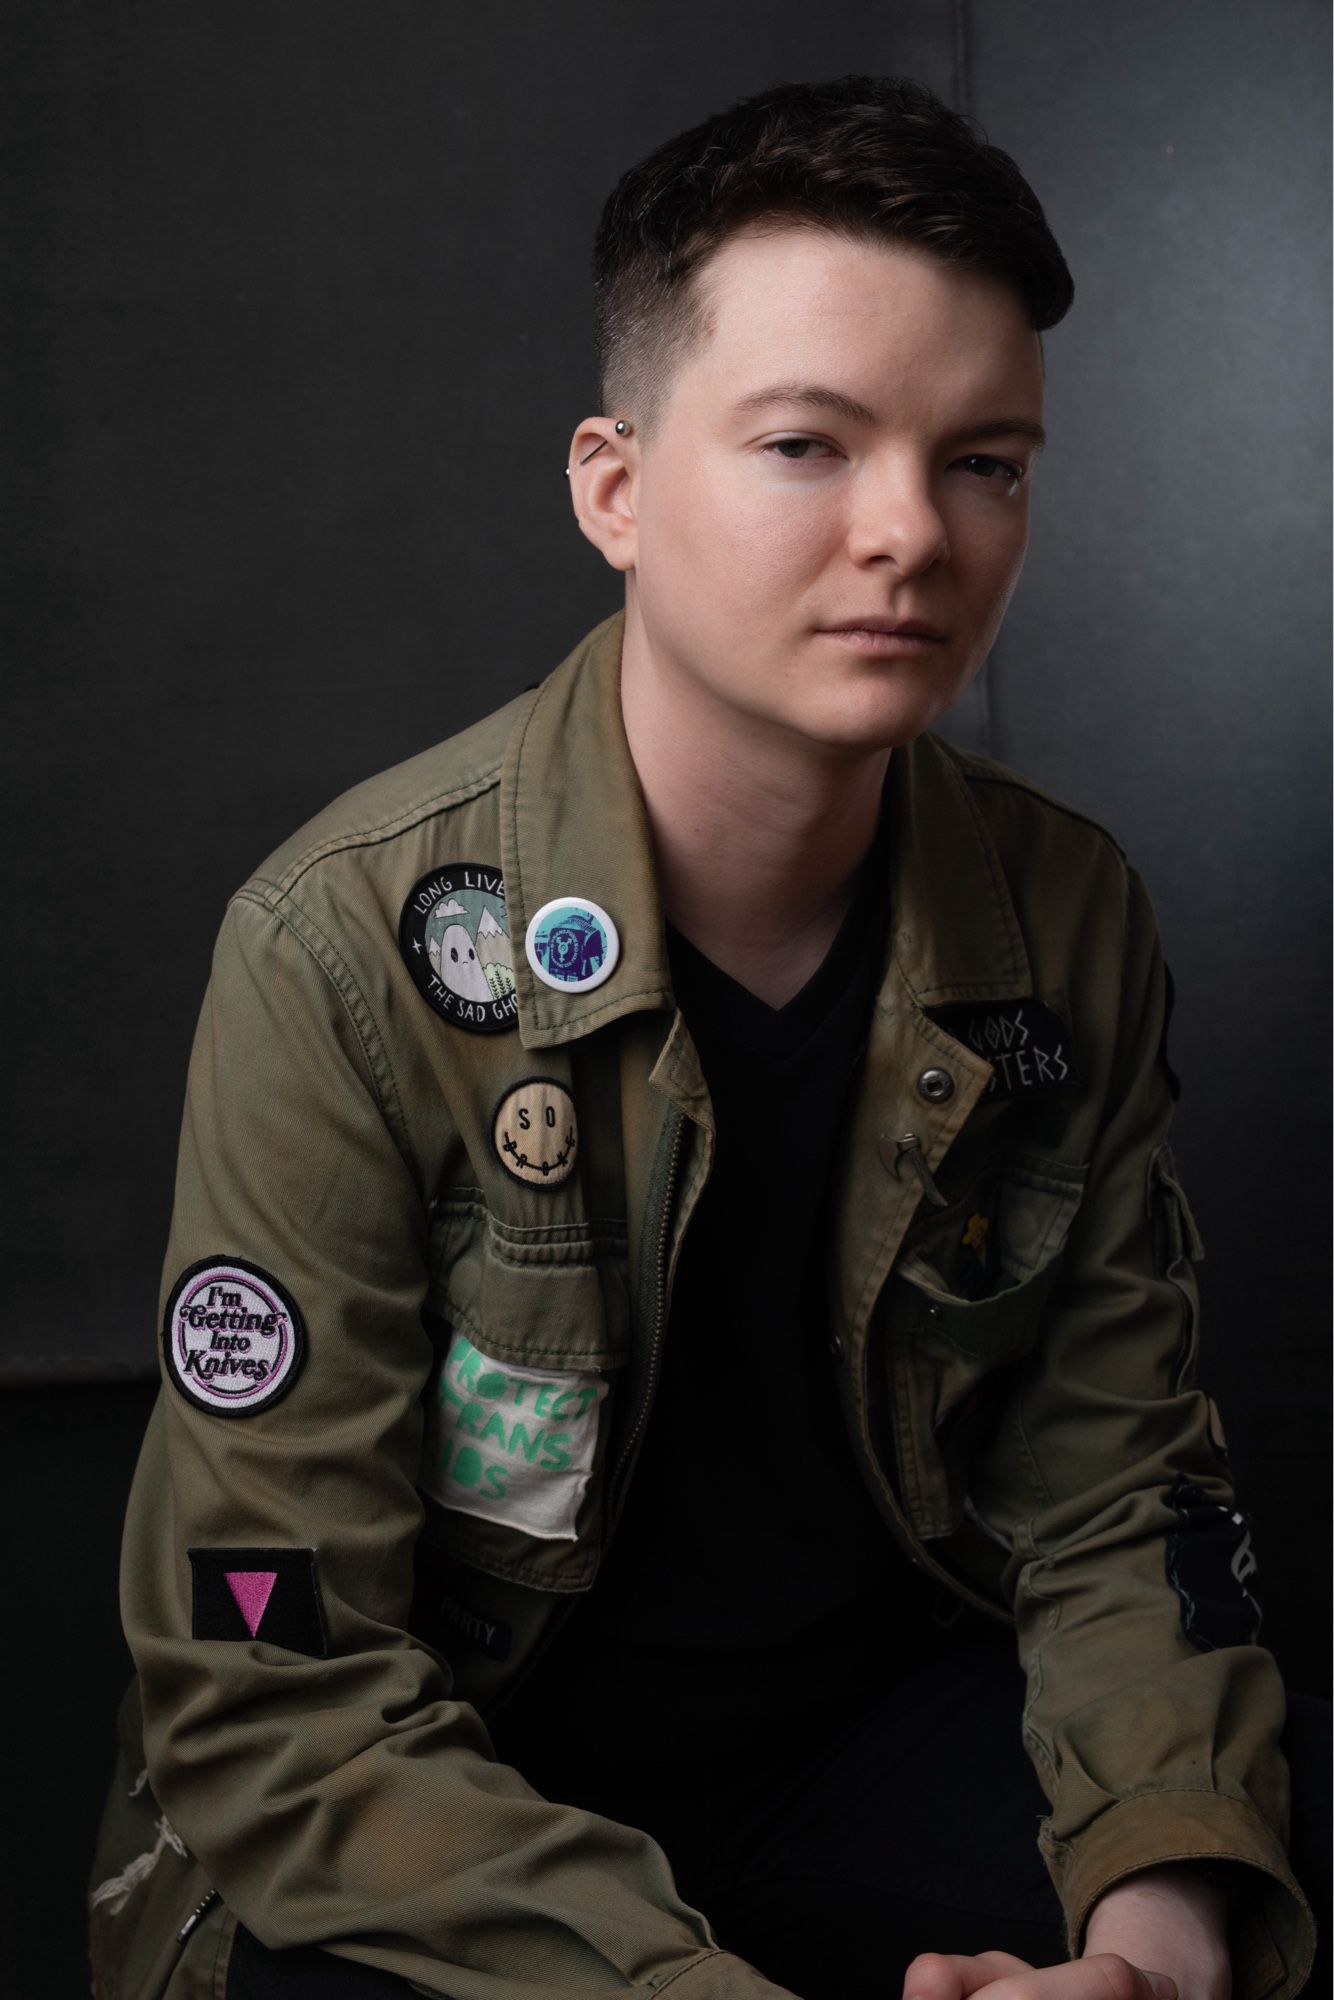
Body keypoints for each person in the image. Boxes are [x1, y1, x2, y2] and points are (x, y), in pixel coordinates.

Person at [89, 74, 1319, 2000]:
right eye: (808, 445)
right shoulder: (341, 952)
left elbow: (1115, 1497)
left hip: (870, 1746)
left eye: (985, 459)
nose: (909, 533)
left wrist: (1150, 1951)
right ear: (617, 487)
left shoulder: (1062, 918)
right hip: (443, 1783)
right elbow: (273, 1678)